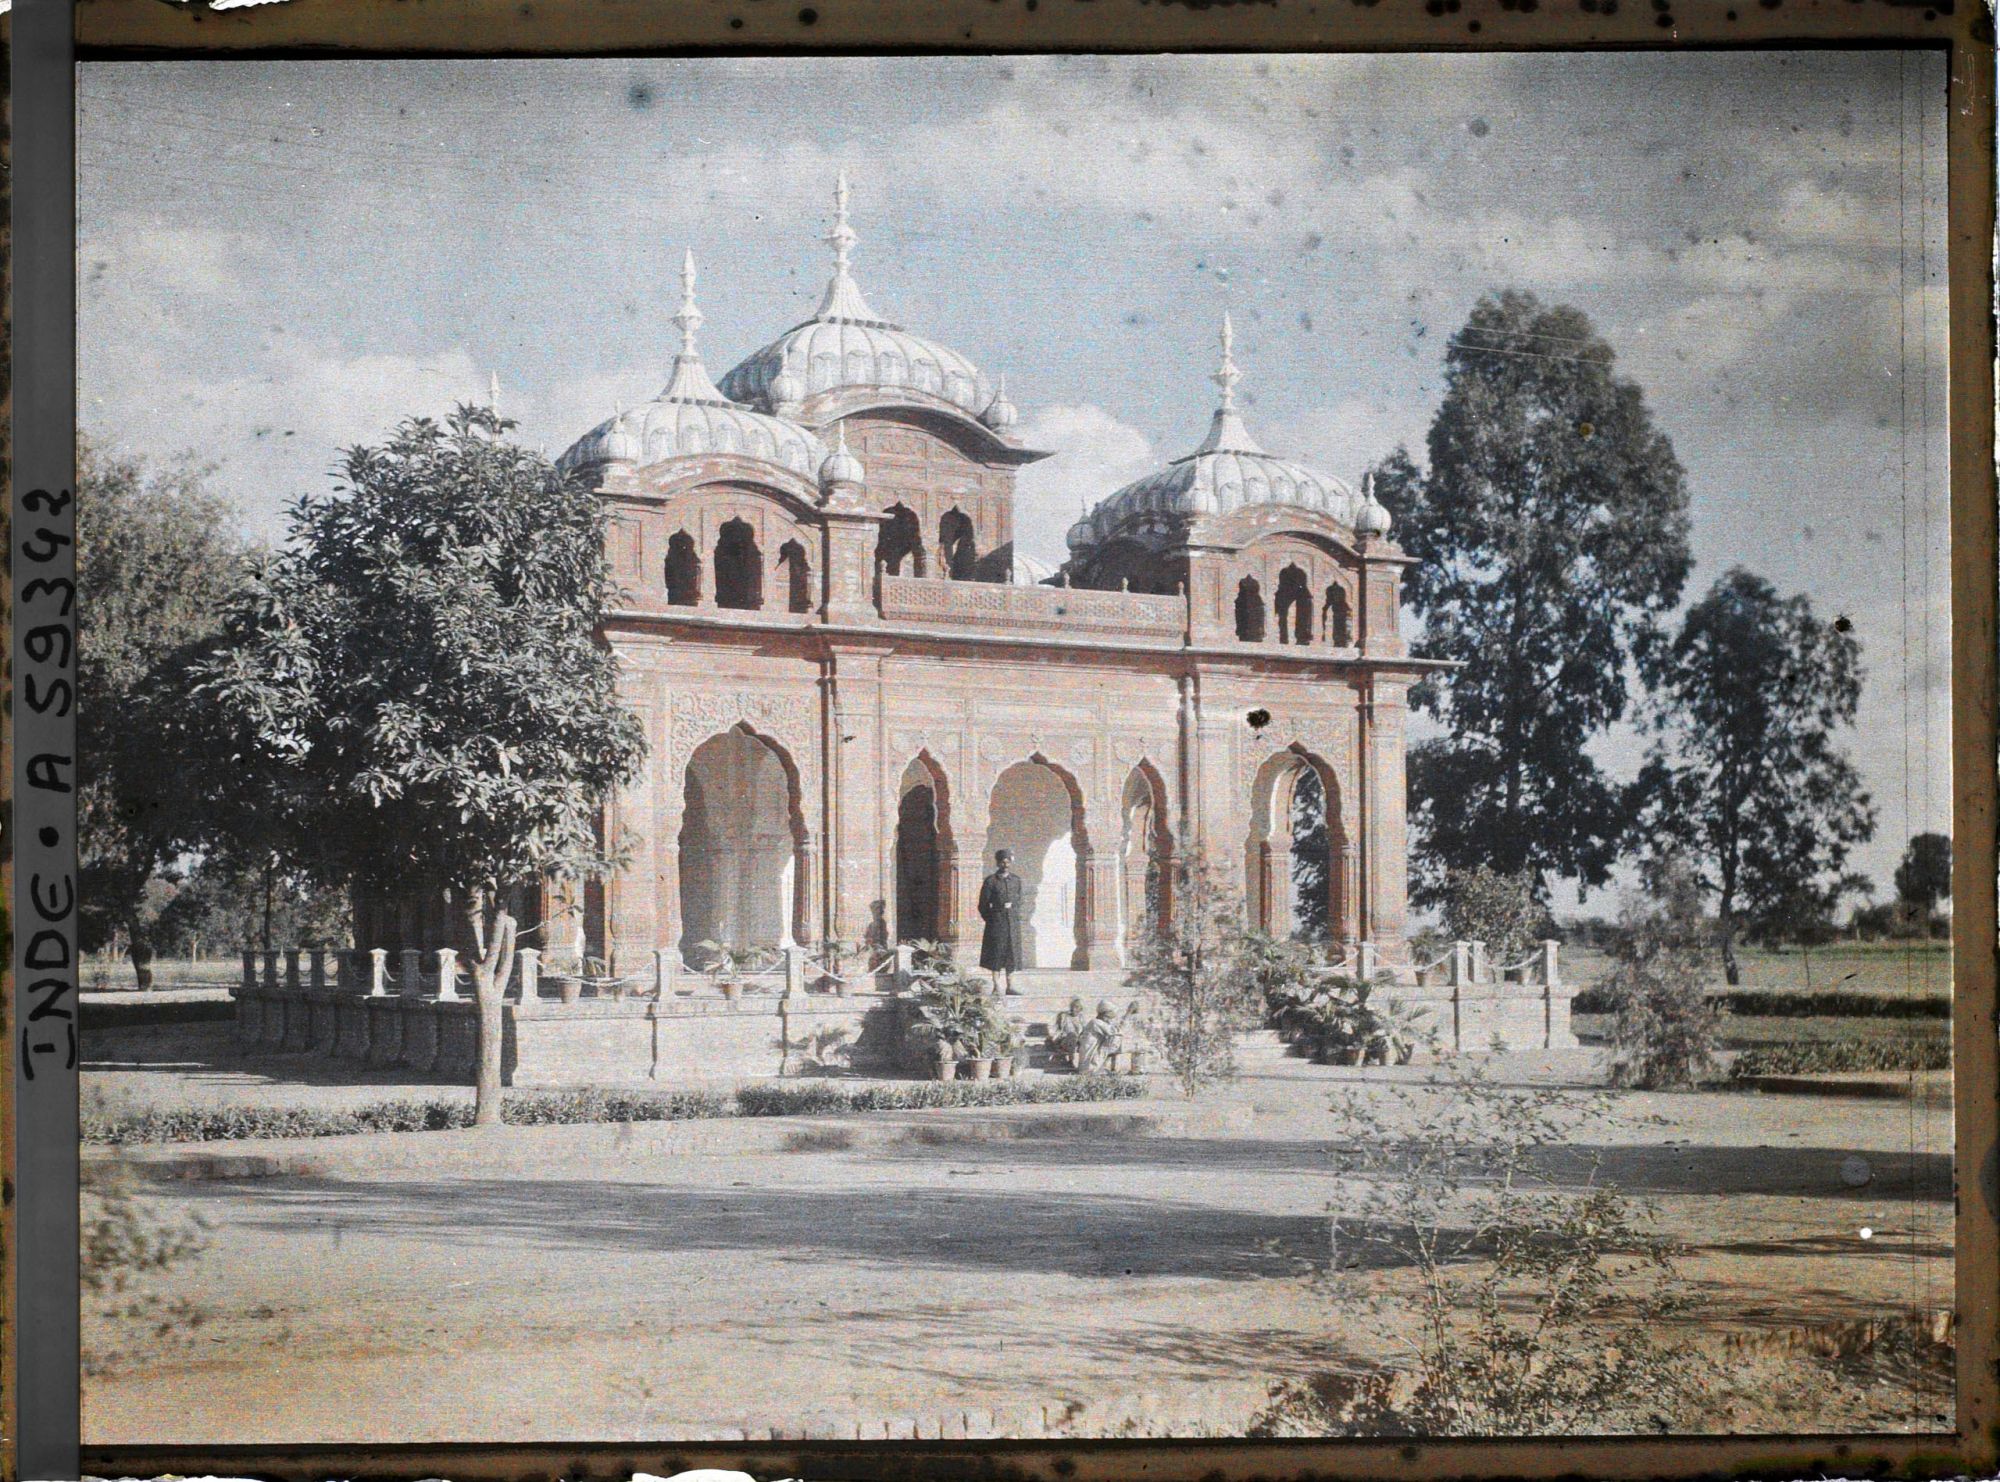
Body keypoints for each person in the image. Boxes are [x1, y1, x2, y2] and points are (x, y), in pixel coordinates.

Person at [978, 848, 1025, 994]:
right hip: (997, 925)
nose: (1005, 864)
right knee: (996, 955)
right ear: (998, 863)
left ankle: (1010, 986)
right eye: (1002, 862)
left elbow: (1020, 900)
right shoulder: (991, 881)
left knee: (1011, 954)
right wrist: (994, 917)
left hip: (1012, 924)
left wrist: (1012, 909)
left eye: (1008, 861)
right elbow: (982, 905)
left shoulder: (1016, 881)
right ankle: (997, 986)